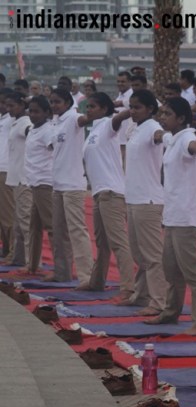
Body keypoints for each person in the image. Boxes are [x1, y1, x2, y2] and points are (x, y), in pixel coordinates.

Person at [143, 97, 196, 336]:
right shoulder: (173, 138)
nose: (162, 117)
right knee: (171, 269)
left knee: (194, 272)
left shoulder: (188, 139)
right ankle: (171, 312)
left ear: (181, 118)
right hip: (172, 216)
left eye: (167, 114)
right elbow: (164, 136)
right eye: (161, 113)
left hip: (186, 217)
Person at [80, 92, 135, 304]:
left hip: (111, 192)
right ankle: (97, 281)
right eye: (88, 107)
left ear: (104, 109)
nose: (88, 110)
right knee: (102, 242)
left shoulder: (108, 126)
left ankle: (129, 288)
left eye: (93, 106)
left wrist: (133, 108)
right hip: (98, 193)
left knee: (119, 242)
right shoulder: (93, 130)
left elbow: (119, 118)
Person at [123, 89, 168, 316]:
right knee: (138, 253)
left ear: (150, 109)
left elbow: (161, 136)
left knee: (152, 255)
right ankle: (141, 294)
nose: (132, 111)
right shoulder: (135, 128)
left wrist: (171, 136)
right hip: (133, 197)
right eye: (131, 106)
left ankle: (159, 301)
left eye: (137, 107)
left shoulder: (153, 128)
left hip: (148, 199)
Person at [46, 88, 93, 285]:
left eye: (57, 102)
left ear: (67, 103)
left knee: (76, 231)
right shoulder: (56, 122)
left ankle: (86, 276)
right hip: (57, 183)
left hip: (73, 184)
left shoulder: (74, 118)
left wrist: (91, 113)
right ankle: (62, 272)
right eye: (52, 102)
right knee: (58, 231)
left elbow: (84, 120)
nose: (54, 105)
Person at [22, 96, 54, 275]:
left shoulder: (48, 131)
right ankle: (33, 265)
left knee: (51, 227)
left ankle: (59, 268)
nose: (32, 115)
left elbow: (56, 150)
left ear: (46, 113)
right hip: (33, 182)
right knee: (34, 226)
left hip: (44, 182)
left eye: (37, 111)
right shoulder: (34, 129)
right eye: (31, 111)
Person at [4, 91, 32, 267]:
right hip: (15, 177)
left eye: (12, 105)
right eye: (7, 105)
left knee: (25, 221)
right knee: (17, 223)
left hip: (24, 177)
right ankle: (18, 257)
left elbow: (32, 133)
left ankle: (31, 260)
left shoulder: (25, 123)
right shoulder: (15, 122)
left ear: (22, 105)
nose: (9, 109)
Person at [0, 88, 15, 259]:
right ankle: (5, 248)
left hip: (5, 169)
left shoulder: (13, 120)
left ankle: (11, 250)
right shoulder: (3, 119)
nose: (2, 106)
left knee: (7, 214)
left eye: (6, 103)